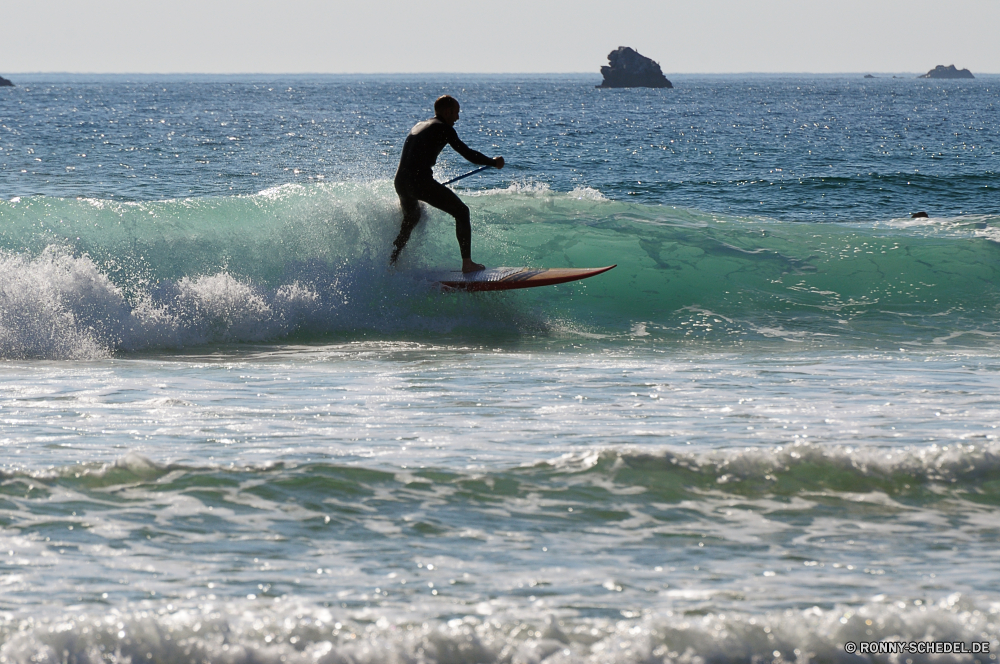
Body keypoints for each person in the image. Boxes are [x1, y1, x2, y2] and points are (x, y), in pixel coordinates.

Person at [390, 95, 504, 272]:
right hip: (419, 182)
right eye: (456, 113)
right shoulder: (444, 128)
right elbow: (468, 154)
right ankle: (467, 263)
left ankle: (391, 261)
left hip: (401, 182)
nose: (457, 118)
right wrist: (493, 162)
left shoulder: (419, 125)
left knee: (412, 219)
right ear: (447, 111)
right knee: (462, 211)